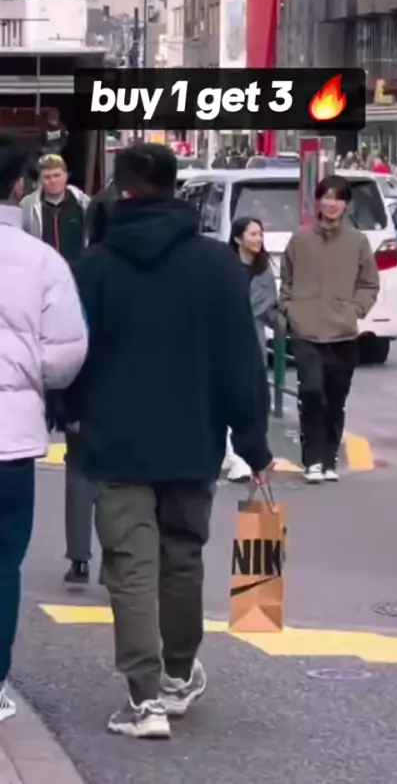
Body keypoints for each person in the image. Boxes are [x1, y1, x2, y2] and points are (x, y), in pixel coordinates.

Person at [64, 143, 273, 738]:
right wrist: (253, 443)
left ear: (122, 190)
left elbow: (72, 354)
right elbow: (241, 362)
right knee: (182, 557)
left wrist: (72, 413)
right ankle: (179, 675)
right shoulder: (215, 265)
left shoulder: (96, 266)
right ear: (176, 187)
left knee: (129, 566)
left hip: (116, 440)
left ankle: (144, 699)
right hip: (193, 438)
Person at [0, 135, 88, 722]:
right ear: (19, 186)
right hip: (10, 439)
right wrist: (30, 375)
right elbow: (65, 354)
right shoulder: (42, 261)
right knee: (3, 560)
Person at [21, 154, 93, 585]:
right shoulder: (30, 210)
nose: (53, 181)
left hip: (73, 294)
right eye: (47, 175)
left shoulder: (81, 206)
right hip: (45, 295)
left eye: (58, 174)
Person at [279, 175, 379, 484]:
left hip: (343, 333)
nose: (332, 204)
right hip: (306, 332)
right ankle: (312, 461)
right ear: (318, 201)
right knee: (311, 393)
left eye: (338, 198)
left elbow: (369, 284)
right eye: (327, 197)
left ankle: (328, 459)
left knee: (335, 399)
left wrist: (355, 309)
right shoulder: (300, 240)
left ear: (346, 205)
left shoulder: (357, 242)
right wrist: (291, 311)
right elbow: (286, 281)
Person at [226, 216, 278, 481]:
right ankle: (232, 455)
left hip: (252, 342)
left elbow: (267, 308)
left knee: (250, 400)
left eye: (260, 234)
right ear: (238, 238)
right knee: (224, 397)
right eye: (253, 234)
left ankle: (242, 458)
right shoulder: (224, 266)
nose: (258, 239)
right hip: (223, 340)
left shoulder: (264, 270)